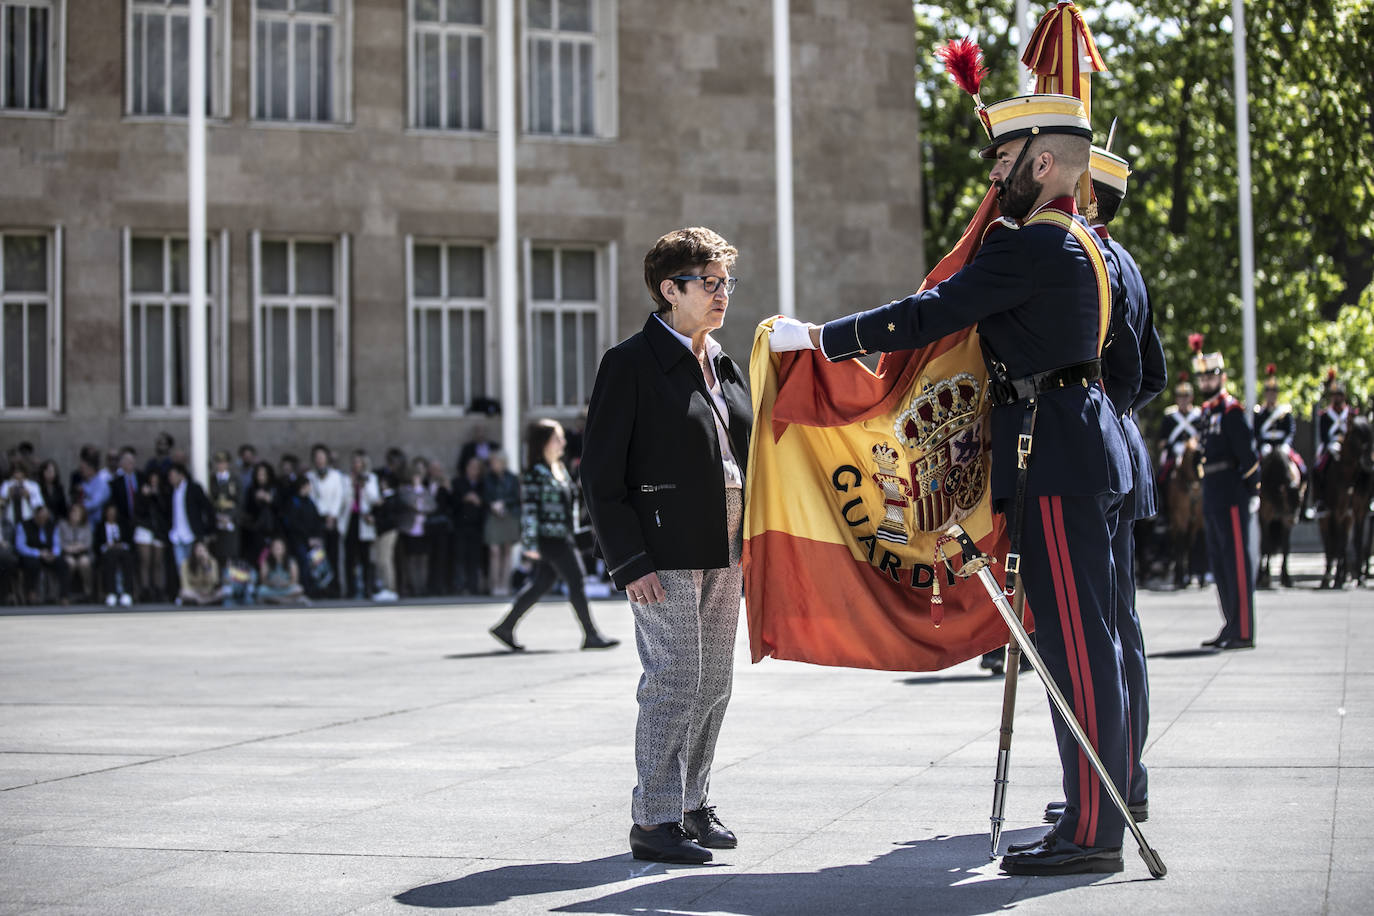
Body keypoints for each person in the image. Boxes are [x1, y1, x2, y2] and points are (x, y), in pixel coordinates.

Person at [770, 95, 1131, 876]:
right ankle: (1098, 797)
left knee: (1073, 643)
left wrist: (824, 340)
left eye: (1003, 163)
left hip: (1057, 456)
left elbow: (927, 314)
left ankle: (1095, 832)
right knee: (1081, 637)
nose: (993, 180)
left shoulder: (1032, 245)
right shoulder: (1083, 243)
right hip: (1080, 445)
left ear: (1040, 163)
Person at [581, 226, 751, 866]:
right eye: (708, 283)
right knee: (674, 682)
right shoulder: (629, 363)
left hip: (727, 546)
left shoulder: (725, 363)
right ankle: (653, 819)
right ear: (668, 289)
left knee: (715, 683)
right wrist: (629, 561)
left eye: (725, 281)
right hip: (664, 552)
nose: (721, 293)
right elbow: (600, 475)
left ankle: (691, 803)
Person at [1024, 145, 1164, 838]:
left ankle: (1106, 793)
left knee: (1092, 633)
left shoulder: (1083, 258)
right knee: (1119, 630)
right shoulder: (1126, 264)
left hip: (1080, 448)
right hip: (1118, 449)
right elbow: (1150, 371)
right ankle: (1122, 780)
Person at [490, 420, 619, 652]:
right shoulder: (535, 473)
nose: (563, 442)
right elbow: (529, 510)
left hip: (564, 535)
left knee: (541, 584)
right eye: (557, 438)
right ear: (544, 442)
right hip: (550, 538)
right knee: (577, 580)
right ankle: (590, 634)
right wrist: (529, 544)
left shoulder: (559, 469)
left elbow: (571, 506)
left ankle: (505, 627)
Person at [1193, 339, 1260, 650]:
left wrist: (1252, 490)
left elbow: (1247, 456)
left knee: (1236, 563)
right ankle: (1230, 623)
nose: (1206, 381)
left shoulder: (1232, 410)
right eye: (1203, 377)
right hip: (1212, 492)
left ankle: (1243, 630)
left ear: (1222, 378)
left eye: (1211, 376)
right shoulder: (1206, 412)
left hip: (1232, 493)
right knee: (1220, 564)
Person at [1312, 371, 1355, 516]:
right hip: (1331, 445)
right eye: (1335, 395)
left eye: (1340, 395)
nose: (1337, 398)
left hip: (1348, 446)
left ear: (1344, 396)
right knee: (1317, 468)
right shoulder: (1325, 415)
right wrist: (1332, 444)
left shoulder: (1350, 413)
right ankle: (1319, 500)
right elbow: (1324, 435)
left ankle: (1366, 499)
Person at [308, 444, 348, 598]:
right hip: (317, 519)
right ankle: (319, 588)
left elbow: (339, 496)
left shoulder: (336, 476)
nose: (319, 460)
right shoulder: (311, 477)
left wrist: (333, 515)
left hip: (332, 519)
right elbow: (311, 498)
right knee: (317, 556)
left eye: (322, 457)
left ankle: (334, 588)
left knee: (333, 555)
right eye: (317, 457)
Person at [482, 450, 521, 597]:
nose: (493, 465)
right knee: (494, 551)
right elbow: (485, 496)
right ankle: (495, 584)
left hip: (509, 515)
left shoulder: (512, 478)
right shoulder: (488, 478)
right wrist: (493, 504)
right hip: (493, 516)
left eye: (495, 462)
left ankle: (505, 584)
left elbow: (516, 497)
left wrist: (504, 503)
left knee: (507, 550)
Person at [343, 450, 381, 600]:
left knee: (366, 557)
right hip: (350, 519)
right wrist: (351, 486)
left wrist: (363, 486)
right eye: (354, 462)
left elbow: (375, 499)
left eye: (359, 462)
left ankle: (367, 588)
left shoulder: (371, 478)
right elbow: (344, 499)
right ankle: (351, 589)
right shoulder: (346, 479)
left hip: (364, 520)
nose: (356, 465)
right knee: (350, 557)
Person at [166, 463, 214, 575]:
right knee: (180, 565)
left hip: (191, 534)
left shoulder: (194, 489)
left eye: (173, 476)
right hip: (176, 535)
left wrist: (208, 528)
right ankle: (185, 589)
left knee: (194, 564)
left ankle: (195, 589)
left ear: (181, 475)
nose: (171, 479)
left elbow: (208, 508)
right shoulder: (170, 491)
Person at [17, 504, 69, 604]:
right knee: (32, 564)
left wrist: (54, 553)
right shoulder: (24, 525)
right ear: (35, 516)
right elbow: (20, 546)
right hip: (31, 555)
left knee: (63, 564)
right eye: (41, 517)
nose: (43, 520)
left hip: (49, 555)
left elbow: (57, 543)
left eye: (45, 518)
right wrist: (38, 553)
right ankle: (31, 593)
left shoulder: (52, 525)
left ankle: (64, 596)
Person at [452, 455, 487, 594]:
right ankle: (459, 587)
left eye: (476, 468)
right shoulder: (458, 483)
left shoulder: (483, 484)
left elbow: (486, 503)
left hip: (476, 526)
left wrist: (479, 501)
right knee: (459, 557)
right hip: (460, 525)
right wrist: (464, 499)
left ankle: (473, 587)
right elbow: (451, 503)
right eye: (470, 467)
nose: (473, 470)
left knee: (474, 558)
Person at [94, 502, 136, 606]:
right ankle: (111, 592)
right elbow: (97, 545)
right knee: (111, 557)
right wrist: (107, 546)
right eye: (109, 512)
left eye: (114, 512)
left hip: (122, 552)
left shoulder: (123, 525)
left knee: (127, 558)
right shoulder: (100, 526)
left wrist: (121, 545)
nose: (112, 515)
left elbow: (129, 542)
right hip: (107, 553)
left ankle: (127, 592)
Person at [370, 467, 402, 601]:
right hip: (381, 531)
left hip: (388, 531)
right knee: (379, 560)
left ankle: (390, 588)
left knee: (385, 560)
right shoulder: (383, 497)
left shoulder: (392, 498)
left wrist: (376, 518)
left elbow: (391, 518)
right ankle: (383, 586)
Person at [208, 450, 242, 568]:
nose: (221, 465)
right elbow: (209, 501)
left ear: (227, 464)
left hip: (230, 521)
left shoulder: (234, 480)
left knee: (230, 551)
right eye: (218, 463)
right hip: (216, 519)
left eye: (223, 462)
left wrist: (230, 517)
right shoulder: (211, 480)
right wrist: (216, 516)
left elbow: (239, 502)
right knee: (217, 551)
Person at [241, 462, 279, 566]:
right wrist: (255, 499)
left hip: (273, 529)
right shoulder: (251, 489)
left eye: (263, 474)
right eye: (259, 474)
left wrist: (270, 499)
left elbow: (280, 508)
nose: (261, 477)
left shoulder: (275, 488)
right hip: (255, 529)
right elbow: (247, 509)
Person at [58, 503, 95, 602]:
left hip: (83, 553)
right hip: (67, 553)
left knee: (84, 562)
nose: (75, 514)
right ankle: (67, 591)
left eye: (78, 512)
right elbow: (59, 542)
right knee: (70, 563)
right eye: (73, 512)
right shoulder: (62, 525)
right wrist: (69, 548)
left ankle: (88, 591)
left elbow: (88, 543)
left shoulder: (86, 526)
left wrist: (79, 547)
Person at [257, 536, 306, 604]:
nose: (277, 549)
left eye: (279, 548)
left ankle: (276, 600)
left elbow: (295, 580)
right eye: (275, 548)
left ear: (284, 549)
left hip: (286, 588)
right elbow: (263, 580)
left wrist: (285, 584)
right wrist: (271, 583)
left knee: (298, 589)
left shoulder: (291, 561)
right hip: (272, 588)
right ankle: (287, 601)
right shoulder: (266, 562)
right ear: (271, 549)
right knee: (261, 590)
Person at [177, 539, 225, 606]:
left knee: (222, 592)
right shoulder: (186, 563)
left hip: (208, 591)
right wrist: (197, 592)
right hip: (193, 591)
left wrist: (206, 566)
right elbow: (185, 584)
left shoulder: (212, 562)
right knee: (184, 592)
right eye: (199, 551)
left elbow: (215, 581)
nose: (201, 553)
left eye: (203, 551)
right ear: (193, 552)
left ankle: (203, 601)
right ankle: (203, 600)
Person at [35, 459, 69, 527]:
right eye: (48, 471)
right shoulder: (37, 487)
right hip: (42, 519)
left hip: (57, 520)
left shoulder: (59, 488)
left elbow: (63, 506)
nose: (50, 474)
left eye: (52, 471)